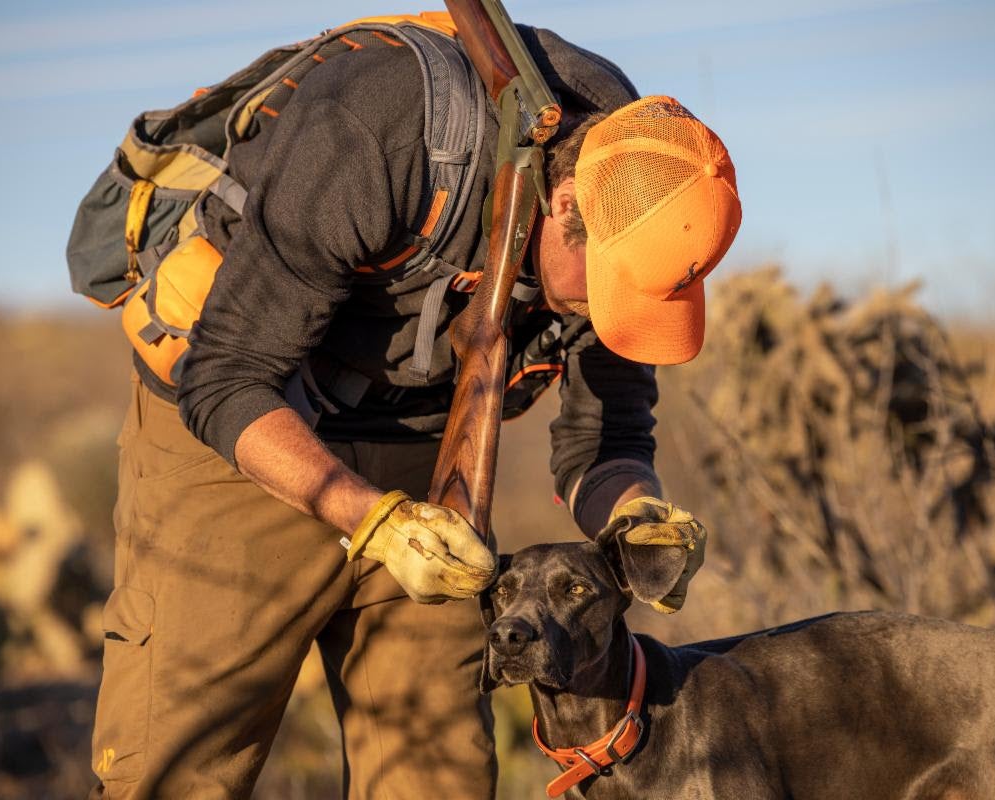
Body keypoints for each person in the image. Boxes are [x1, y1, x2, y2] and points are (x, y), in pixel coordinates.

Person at [88, 20, 740, 800]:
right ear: (565, 202)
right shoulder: (379, 124)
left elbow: (608, 434)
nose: (612, 313)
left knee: (439, 777)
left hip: (438, 458)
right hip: (247, 432)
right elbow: (226, 378)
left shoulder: (645, 183)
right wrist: (374, 523)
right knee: (180, 767)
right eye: (607, 289)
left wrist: (638, 514)